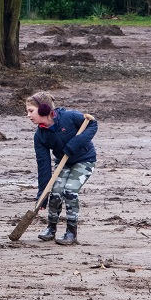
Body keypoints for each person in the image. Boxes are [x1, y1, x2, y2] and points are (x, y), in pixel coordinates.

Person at [26, 91, 97, 246]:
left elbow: (92, 124)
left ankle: (71, 232)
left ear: (44, 109)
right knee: (56, 191)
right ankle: (51, 228)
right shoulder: (40, 136)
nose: (28, 115)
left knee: (70, 191)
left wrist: (75, 143)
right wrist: (42, 195)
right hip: (63, 163)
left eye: (31, 111)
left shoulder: (69, 117)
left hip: (84, 161)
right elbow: (43, 167)